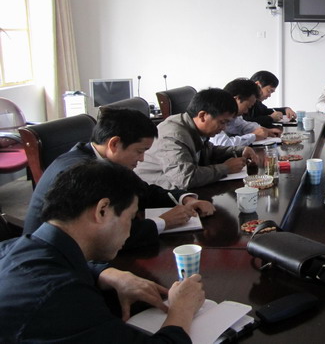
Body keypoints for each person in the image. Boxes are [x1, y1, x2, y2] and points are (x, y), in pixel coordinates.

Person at [0, 161, 205, 342]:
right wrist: (181, 310)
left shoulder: (14, 247)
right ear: (102, 210)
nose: (129, 231)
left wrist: (107, 274)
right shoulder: (61, 296)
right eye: (131, 217)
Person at [23, 108, 215, 250]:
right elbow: (102, 234)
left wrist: (186, 199)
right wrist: (163, 222)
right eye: (139, 151)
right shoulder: (80, 171)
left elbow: (144, 191)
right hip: (53, 255)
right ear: (114, 144)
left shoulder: (109, 162)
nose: (142, 159)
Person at [136, 88, 257, 190]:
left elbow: (209, 151)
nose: (224, 128)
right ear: (202, 116)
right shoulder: (173, 135)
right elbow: (185, 178)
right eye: (222, 122)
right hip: (156, 196)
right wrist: (225, 168)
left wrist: (240, 150)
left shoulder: (192, 127)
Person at [211, 78, 281, 147]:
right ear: (237, 99)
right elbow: (223, 144)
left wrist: (264, 130)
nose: (246, 111)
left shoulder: (233, 115)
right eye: (248, 107)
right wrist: (254, 136)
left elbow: (242, 125)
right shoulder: (214, 113)